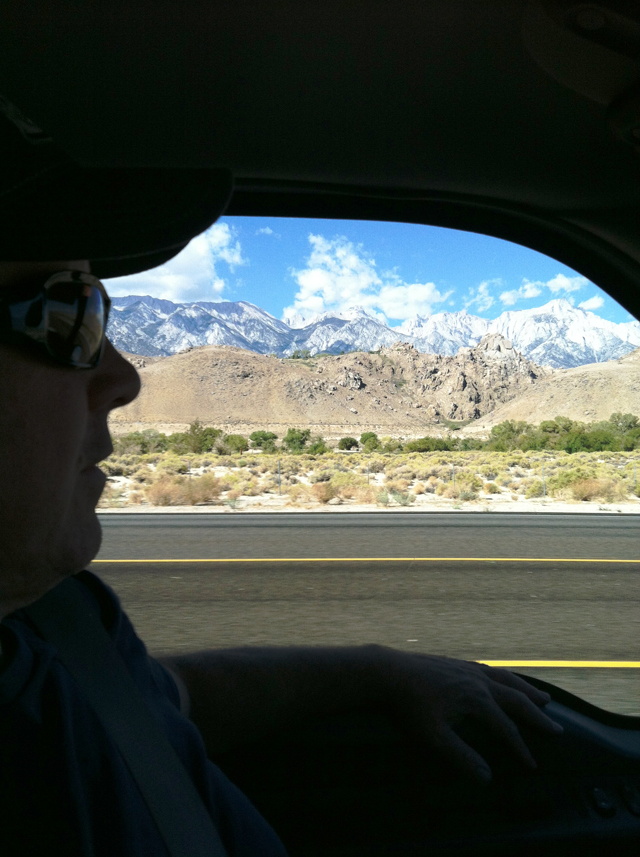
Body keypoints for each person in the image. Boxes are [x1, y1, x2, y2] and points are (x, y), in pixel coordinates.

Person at [0, 99, 563, 855]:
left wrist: (374, 671)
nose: (125, 377)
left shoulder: (55, 621)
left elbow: (168, 697)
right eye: (70, 316)